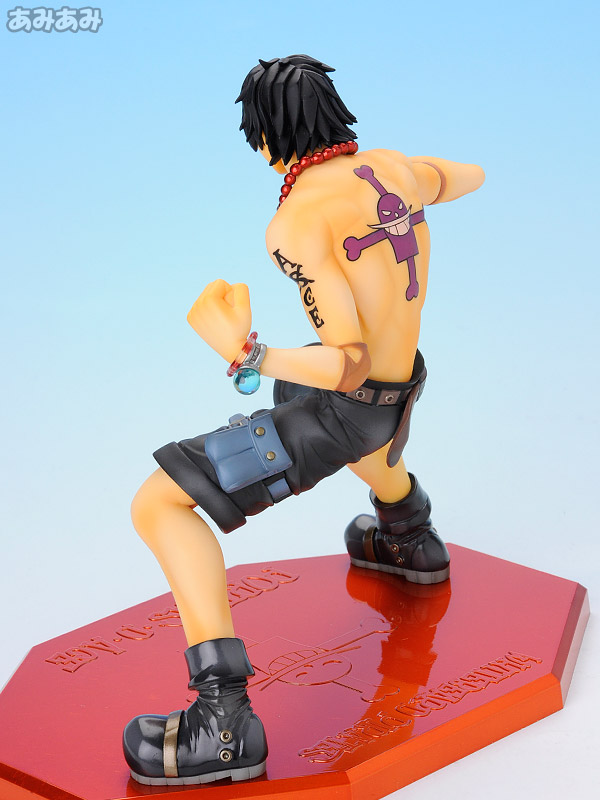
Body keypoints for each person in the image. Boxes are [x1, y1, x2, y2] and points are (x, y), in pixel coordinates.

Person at [122, 54, 485, 785]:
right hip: (400, 386)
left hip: (350, 407)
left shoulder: (295, 223)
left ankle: (224, 721)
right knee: (329, 404)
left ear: (266, 138)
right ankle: (408, 534)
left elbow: (345, 363)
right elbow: (465, 176)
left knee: (158, 504)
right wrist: (412, 192)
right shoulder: (392, 168)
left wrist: (247, 353)